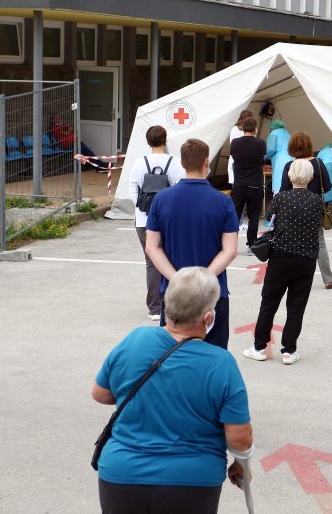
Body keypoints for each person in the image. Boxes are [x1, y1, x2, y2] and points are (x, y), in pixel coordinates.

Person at [92, 267, 253, 514]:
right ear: (208, 318)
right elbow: (239, 437)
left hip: (122, 473)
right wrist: (241, 467)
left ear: (167, 307)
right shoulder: (221, 363)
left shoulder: (136, 339)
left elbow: (101, 393)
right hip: (192, 480)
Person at [145, 139, 239, 350]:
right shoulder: (223, 201)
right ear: (207, 162)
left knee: (171, 353)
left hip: (173, 291)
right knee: (213, 356)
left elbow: (152, 246)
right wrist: (202, 279)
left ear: (182, 163)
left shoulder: (161, 199)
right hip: (212, 291)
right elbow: (230, 250)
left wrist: (177, 278)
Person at [242, 159, 324, 366]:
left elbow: (269, 219)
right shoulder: (317, 201)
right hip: (305, 259)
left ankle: (259, 347)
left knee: (268, 303)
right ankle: (289, 350)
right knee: (296, 307)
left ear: (289, 175)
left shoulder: (280, 198)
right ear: (311, 177)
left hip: (280, 257)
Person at [127, 125, 186, 320]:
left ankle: (154, 308)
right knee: (170, 260)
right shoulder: (175, 162)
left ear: (148, 141)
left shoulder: (139, 163)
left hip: (144, 221)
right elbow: (180, 190)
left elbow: (132, 190)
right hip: (168, 221)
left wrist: (144, 207)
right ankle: (171, 304)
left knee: (151, 263)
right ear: (165, 140)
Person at [279, 131, 332, 290]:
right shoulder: (319, 163)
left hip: (293, 210)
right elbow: (327, 187)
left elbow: (283, 190)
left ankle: (290, 278)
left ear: (292, 147)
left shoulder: (289, 166)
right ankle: (328, 280)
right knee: (319, 243)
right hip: (315, 209)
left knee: (291, 243)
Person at [230, 116, 267, 255]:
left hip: (239, 184)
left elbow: (234, 157)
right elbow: (261, 159)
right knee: (254, 216)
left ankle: (230, 245)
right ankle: (251, 245)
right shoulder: (260, 143)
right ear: (255, 129)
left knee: (235, 216)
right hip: (255, 184)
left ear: (242, 128)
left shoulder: (235, 143)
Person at [227, 110, 253, 196]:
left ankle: (237, 209)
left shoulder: (233, 129)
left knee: (236, 192)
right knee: (246, 190)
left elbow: (232, 146)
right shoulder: (252, 131)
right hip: (246, 163)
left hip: (235, 161)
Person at [265, 118, 292, 196]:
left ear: (272, 127)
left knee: (279, 185)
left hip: (280, 162)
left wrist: (264, 157)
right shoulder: (288, 134)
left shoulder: (274, 133)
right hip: (292, 161)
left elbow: (270, 150)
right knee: (289, 186)